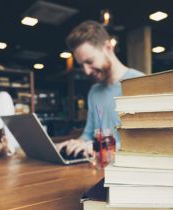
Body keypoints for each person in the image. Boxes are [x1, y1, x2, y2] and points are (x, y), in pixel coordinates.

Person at [56, 20, 144, 157]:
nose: (86, 71)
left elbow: (146, 144)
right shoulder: (94, 92)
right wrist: (73, 144)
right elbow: (88, 135)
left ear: (108, 48)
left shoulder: (140, 83)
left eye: (89, 61)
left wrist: (98, 147)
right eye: (81, 65)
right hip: (98, 168)